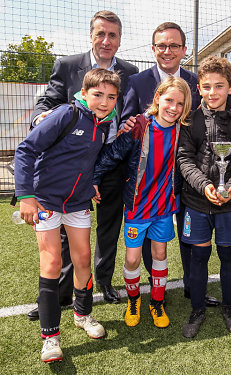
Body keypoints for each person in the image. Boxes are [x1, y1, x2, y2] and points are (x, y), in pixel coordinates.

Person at [28, 11, 139, 318]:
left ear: (119, 40)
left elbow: (137, 111)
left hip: (112, 162)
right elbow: (47, 101)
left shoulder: (131, 72)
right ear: (91, 35)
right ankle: (60, 292)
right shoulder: (67, 65)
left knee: (108, 225)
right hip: (75, 165)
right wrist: (41, 120)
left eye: (113, 35)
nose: (106, 41)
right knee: (65, 231)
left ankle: (102, 283)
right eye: (101, 34)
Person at [15, 68, 121, 362]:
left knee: (83, 259)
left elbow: (88, 161)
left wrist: (91, 184)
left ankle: (83, 315)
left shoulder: (103, 125)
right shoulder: (66, 114)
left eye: (111, 97)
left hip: (77, 202)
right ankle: (50, 337)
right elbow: (26, 149)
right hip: (46, 200)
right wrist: (25, 196)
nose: (104, 101)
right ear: (84, 94)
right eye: (98, 94)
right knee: (51, 262)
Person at [120, 23, 217, 307]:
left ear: (184, 50)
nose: (168, 51)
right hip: (146, 184)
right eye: (162, 45)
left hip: (184, 177)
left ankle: (192, 285)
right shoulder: (137, 82)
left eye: (174, 45)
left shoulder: (195, 82)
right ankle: (151, 290)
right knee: (147, 243)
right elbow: (128, 123)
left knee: (189, 232)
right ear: (153, 49)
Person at [92, 76, 191, 329]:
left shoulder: (184, 130)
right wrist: (93, 178)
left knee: (160, 253)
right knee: (133, 259)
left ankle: (157, 302)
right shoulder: (139, 126)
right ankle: (133, 300)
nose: (174, 108)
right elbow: (113, 154)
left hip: (164, 208)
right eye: (169, 100)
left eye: (180, 103)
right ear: (157, 98)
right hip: (138, 207)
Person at [177, 57, 231, 338]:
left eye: (219, 86)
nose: (213, 92)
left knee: (227, 257)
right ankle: (197, 309)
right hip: (196, 203)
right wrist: (203, 186)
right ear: (198, 88)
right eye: (207, 87)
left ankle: (229, 307)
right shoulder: (190, 119)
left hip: (229, 206)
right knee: (198, 257)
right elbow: (184, 160)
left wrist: (230, 188)